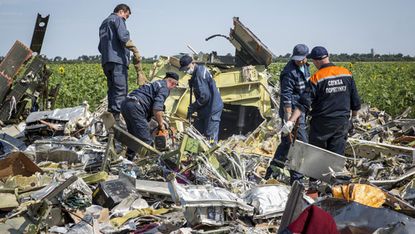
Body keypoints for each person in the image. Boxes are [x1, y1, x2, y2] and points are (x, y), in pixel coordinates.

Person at [282, 46, 361, 157]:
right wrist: (354, 117)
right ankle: (337, 174)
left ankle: (318, 174)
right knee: (336, 158)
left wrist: (290, 121)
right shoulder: (346, 73)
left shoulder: (317, 77)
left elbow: (303, 104)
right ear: (328, 57)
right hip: (341, 122)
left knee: (317, 158)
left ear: (316, 61)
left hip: (322, 125)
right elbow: (355, 100)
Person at [265, 44, 311, 183]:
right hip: (292, 112)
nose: (299, 61)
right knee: (299, 144)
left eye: (301, 59)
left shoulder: (306, 67)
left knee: (286, 144)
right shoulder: (289, 72)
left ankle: (271, 173)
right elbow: (286, 96)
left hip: (302, 109)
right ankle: (297, 179)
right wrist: (288, 120)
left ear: (305, 57)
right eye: (297, 59)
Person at [98, 4, 146, 123]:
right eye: (126, 16)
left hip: (106, 61)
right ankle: (117, 121)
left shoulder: (103, 23)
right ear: (121, 11)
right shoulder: (117, 19)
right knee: (120, 90)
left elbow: (100, 46)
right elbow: (124, 37)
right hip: (118, 61)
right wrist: (135, 50)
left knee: (112, 89)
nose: (126, 19)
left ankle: (110, 118)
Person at [120, 72, 179, 159]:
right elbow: (157, 109)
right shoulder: (165, 88)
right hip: (136, 106)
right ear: (173, 83)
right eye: (175, 86)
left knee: (134, 136)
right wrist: (161, 125)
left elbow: (151, 107)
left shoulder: (154, 84)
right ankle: (149, 165)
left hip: (126, 103)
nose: (173, 88)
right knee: (146, 140)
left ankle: (128, 158)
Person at [179, 55, 223, 142]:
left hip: (212, 108)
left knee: (209, 136)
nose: (186, 71)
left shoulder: (199, 75)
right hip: (205, 109)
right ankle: (194, 154)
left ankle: (211, 154)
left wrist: (193, 106)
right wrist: (193, 82)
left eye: (187, 68)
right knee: (196, 132)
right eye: (184, 69)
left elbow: (205, 97)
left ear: (193, 63)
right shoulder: (200, 70)